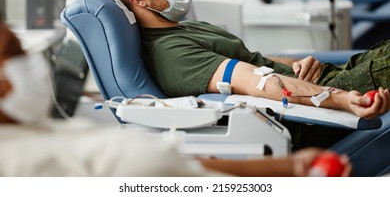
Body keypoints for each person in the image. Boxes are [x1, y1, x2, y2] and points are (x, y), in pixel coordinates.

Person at [0, 19, 351, 177]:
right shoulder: (21, 167)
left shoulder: (49, 133)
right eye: (16, 53)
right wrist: (346, 100)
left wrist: (288, 168)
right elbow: (256, 80)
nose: (31, 63)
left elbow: (179, 164)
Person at [104, 0, 389, 123]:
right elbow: (258, 82)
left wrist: (298, 63)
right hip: (312, 113)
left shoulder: (187, 28)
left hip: (326, 82)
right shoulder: (171, 54)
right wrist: (341, 99)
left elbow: (255, 61)